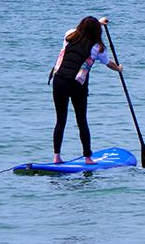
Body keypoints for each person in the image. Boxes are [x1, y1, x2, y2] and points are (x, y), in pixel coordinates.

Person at [49, 16, 123, 164]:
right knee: (81, 120)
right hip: (77, 84)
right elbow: (108, 62)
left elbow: (82, 29)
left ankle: (56, 156)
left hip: (59, 80)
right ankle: (88, 158)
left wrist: (98, 22)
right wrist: (119, 69)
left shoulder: (69, 35)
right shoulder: (97, 47)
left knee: (60, 120)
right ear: (97, 31)